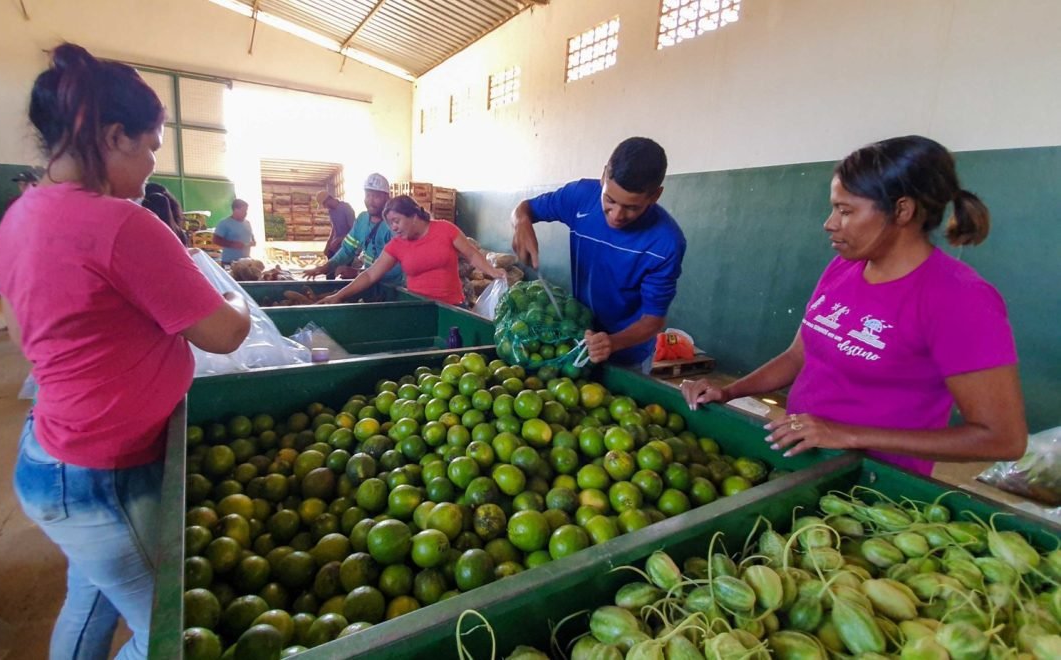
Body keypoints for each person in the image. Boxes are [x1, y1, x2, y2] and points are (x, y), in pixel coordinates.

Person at [0, 43, 251, 659]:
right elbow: (225, 334)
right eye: (153, 143)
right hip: (104, 474)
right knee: (174, 641)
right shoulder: (122, 225)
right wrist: (236, 298)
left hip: (52, 455)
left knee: (90, 603)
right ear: (115, 137)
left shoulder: (22, 216)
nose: (155, 160)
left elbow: (23, 336)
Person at [681, 135, 1026, 476]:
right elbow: (798, 356)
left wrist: (847, 434)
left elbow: (1001, 439)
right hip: (803, 459)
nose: (829, 223)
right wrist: (728, 391)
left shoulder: (959, 299)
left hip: (871, 483)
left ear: (902, 210)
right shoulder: (844, 267)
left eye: (845, 211)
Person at [511, 137, 686, 372]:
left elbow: (653, 321)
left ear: (655, 196)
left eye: (632, 207)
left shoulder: (665, 243)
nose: (616, 215)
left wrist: (612, 343)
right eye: (609, 200)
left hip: (628, 356)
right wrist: (522, 222)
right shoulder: (580, 197)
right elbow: (525, 209)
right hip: (575, 338)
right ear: (604, 176)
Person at [320, 195, 504, 305]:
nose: (394, 228)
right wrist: (339, 296)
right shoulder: (397, 244)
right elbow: (370, 275)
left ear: (414, 216)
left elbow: (471, 253)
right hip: (418, 307)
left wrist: (493, 271)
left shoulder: (445, 229)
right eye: (390, 223)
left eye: (396, 221)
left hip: (453, 306)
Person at [303, 173, 404, 287]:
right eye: (368, 195)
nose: (370, 201)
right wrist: (327, 266)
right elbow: (347, 249)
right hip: (370, 285)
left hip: (393, 288)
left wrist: (358, 273)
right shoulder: (362, 220)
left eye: (376, 196)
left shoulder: (394, 225)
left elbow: (398, 267)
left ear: (387, 197)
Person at [316, 190, 355, 279]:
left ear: (327, 200)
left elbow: (354, 230)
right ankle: (330, 290)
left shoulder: (346, 208)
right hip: (336, 246)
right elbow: (334, 228)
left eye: (324, 205)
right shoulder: (331, 212)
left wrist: (339, 240)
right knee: (330, 272)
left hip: (347, 246)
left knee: (344, 274)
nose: (325, 207)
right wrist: (328, 244)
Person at [213, 199, 255, 264]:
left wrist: (253, 241)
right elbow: (216, 240)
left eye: (246, 211)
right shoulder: (224, 223)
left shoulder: (247, 223)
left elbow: (250, 235)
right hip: (230, 261)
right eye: (243, 211)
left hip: (246, 260)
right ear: (235, 210)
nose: (245, 213)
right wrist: (232, 244)